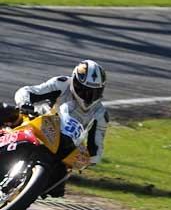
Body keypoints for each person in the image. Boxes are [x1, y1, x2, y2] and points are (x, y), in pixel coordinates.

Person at [8, 60, 109, 196]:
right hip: (40, 124)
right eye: (84, 90)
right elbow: (28, 91)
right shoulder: (61, 84)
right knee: (6, 111)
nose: (88, 96)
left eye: (94, 92)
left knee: (58, 186)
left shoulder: (101, 113)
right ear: (75, 82)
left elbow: (96, 150)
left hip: (65, 145)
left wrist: (86, 159)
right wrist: (24, 103)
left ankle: (29, 188)